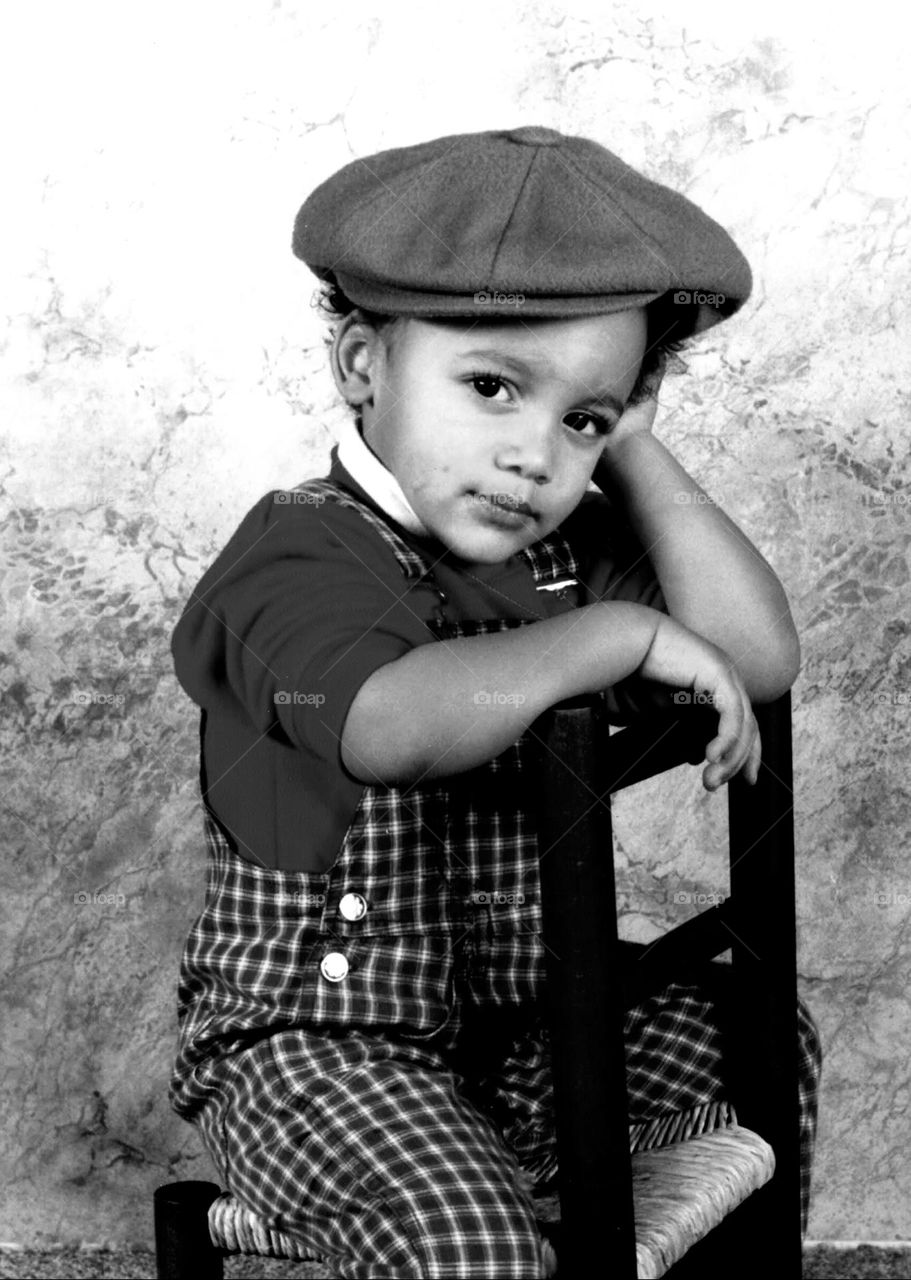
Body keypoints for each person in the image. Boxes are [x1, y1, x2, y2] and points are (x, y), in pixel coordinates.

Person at [168, 126, 821, 1279]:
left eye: (577, 416)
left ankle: (545, 1189)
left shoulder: (560, 548)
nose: (531, 455)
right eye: (489, 387)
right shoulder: (296, 557)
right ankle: (482, 1214)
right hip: (322, 1048)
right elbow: (392, 725)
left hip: (517, 1028)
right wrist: (618, 635)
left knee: (757, 1036)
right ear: (364, 367)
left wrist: (632, 452)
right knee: (467, 1246)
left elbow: (753, 656)